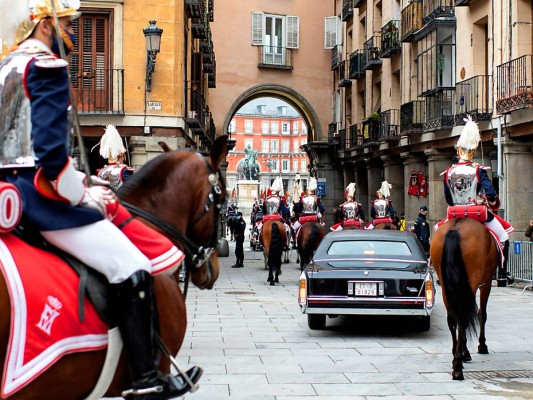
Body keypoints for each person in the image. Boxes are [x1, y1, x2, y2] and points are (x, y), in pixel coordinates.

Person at [0, 1, 201, 398]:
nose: (72, 35)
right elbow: (53, 162)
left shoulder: (5, 67)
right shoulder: (46, 68)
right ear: (44, 25)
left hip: (6, 200)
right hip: (41, 202)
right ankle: (145, 378)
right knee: (131, 266)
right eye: (69, 25)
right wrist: (83, 193)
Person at [442, 116, 514, 286]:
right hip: (476, 212)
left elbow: (447, 198)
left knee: (439, 231)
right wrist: (491, 201)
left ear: (458, 150)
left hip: (454, 213)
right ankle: (503, 273)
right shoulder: (478, 170)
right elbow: (490, 193)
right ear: (473, 152)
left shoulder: (448, 172)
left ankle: (437, 265)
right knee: (503, 237)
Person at [96, 125, 135, 190]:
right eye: (123, 157)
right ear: (120, 156)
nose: (123, 159)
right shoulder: (124, 171)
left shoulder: (101, 171)